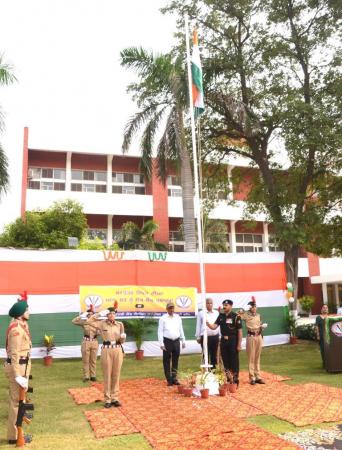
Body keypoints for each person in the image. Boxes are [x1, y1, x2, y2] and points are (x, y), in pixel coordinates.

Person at [86, 302, 126, 408]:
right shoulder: (102, 323)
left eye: (113, 313)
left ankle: (115, 398)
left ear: (115, 315)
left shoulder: (120, 324)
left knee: (116, 374)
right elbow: (89, 321)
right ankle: (107, 399)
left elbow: (122, 341)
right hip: (106, 350)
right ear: (107, 315)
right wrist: (99, 314)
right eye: (109, 313)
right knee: (107, 374)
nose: (112, 315)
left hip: (117, 349)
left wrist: (122, 337)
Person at [5, 294, 32, 445]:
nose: (29, 312)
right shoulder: (16, 329)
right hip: (18, 367)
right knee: (16, 402)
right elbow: (14, 353)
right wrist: (17, 375)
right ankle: (14, 437)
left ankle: (16, 433)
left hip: (22, 366)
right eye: (27, 310)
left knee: (19, 402)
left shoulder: (20, 325)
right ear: (21, 313)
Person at [207, 299, 242, 385]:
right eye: (224, 305)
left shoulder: (236, 316)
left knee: (233, 360)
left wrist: (239, 345)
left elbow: (240, 331)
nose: (224, 306)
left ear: (231, 306)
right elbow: (214, 327)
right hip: (223, 340)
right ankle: (228, 377)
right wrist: (207, 323)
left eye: (226, 305)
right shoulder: (221, 316)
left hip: (233, 340)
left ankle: (235, 378)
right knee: (225, 359)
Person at [238, 300, 267, 385]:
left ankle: (258, 376)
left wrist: (262, 327)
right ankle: (252, 378)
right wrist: (241, 311)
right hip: (251, 337)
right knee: (251, 357)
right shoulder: (246, 315)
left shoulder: (258, 315)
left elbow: (259, 325)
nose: (254, 308)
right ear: (250, 308)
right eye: (252, 307)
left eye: (255, 306)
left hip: (258, 336)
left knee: (257, 357)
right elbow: (238, 315)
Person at [158, 302, 186, 386]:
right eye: (170, 308)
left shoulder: (178, 318)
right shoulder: (163, 318)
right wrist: (161, 343)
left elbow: (181, 329)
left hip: (176, 341)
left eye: (173, 308)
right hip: (167, 341)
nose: (171, 309)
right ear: (167, 309)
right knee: (166, 360)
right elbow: (160, 331)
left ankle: (174, 378)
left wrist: (183, 340)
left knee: (175, 360)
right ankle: (169, 379)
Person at [72, 305, 99, 382]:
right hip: (86, 342)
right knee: (85, 360)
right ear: (87, 315)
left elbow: (102, 331)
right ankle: (86, 376)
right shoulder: (84, 323)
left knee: (93, 360)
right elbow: (73, 321)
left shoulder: (97, 323)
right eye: (88, 314)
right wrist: (81, 316)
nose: (90, 315)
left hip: (94, 341)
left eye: (92, 314)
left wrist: (99, 332)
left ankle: (93, 376)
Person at [195, 298, 220, 369]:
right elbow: (198, 325)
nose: (209, 304)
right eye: (208, 303)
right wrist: (198, 336)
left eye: (211, 303)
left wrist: (220, 335)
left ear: (213, 304)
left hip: (215, 336)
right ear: (205, 304)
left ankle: (214, 371)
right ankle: (205, 371)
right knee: (205, 354)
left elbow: (219, 325)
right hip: (205, 337)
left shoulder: (216, 313)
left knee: (214, 355)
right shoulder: (201, 313)